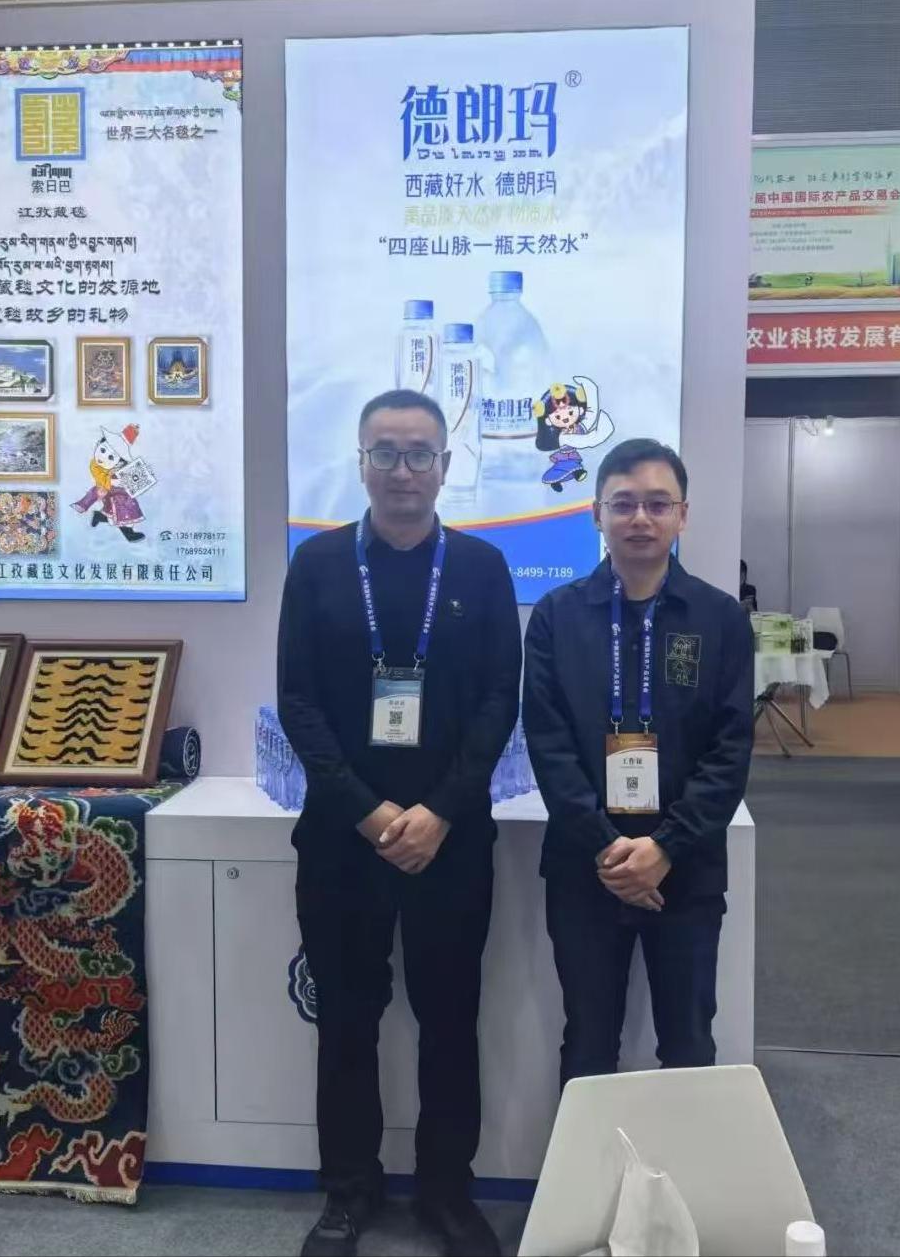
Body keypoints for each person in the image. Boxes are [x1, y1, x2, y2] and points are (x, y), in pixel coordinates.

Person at [278, 389, 521, 1257]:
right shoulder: (317, 565)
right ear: (361, 463)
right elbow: (298, 703)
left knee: (450, 1019)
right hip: (342, 840)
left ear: (445, 466)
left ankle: (446, 1193)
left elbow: (498, 703)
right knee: (346, 1021)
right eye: (385, 452)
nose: (403, 470)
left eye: (420, 453)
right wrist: (372, 811)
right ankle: (349, 1190)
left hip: (450, 843)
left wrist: (440, 811)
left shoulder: (482, 568)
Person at [523, 438, 754, 1086]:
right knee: (588, 1041)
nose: (641, 519)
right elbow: (549, 745)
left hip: (687, 869)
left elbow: (731, 749)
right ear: (596, 514)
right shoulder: (557, 617)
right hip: (584, 866)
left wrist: (666, 847)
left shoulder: (720, 618)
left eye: (658, 503)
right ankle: (590, 1161)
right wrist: (607, 848)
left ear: (683, 514)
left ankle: (677, 1161)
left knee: (688, 1044)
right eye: (623, 504)